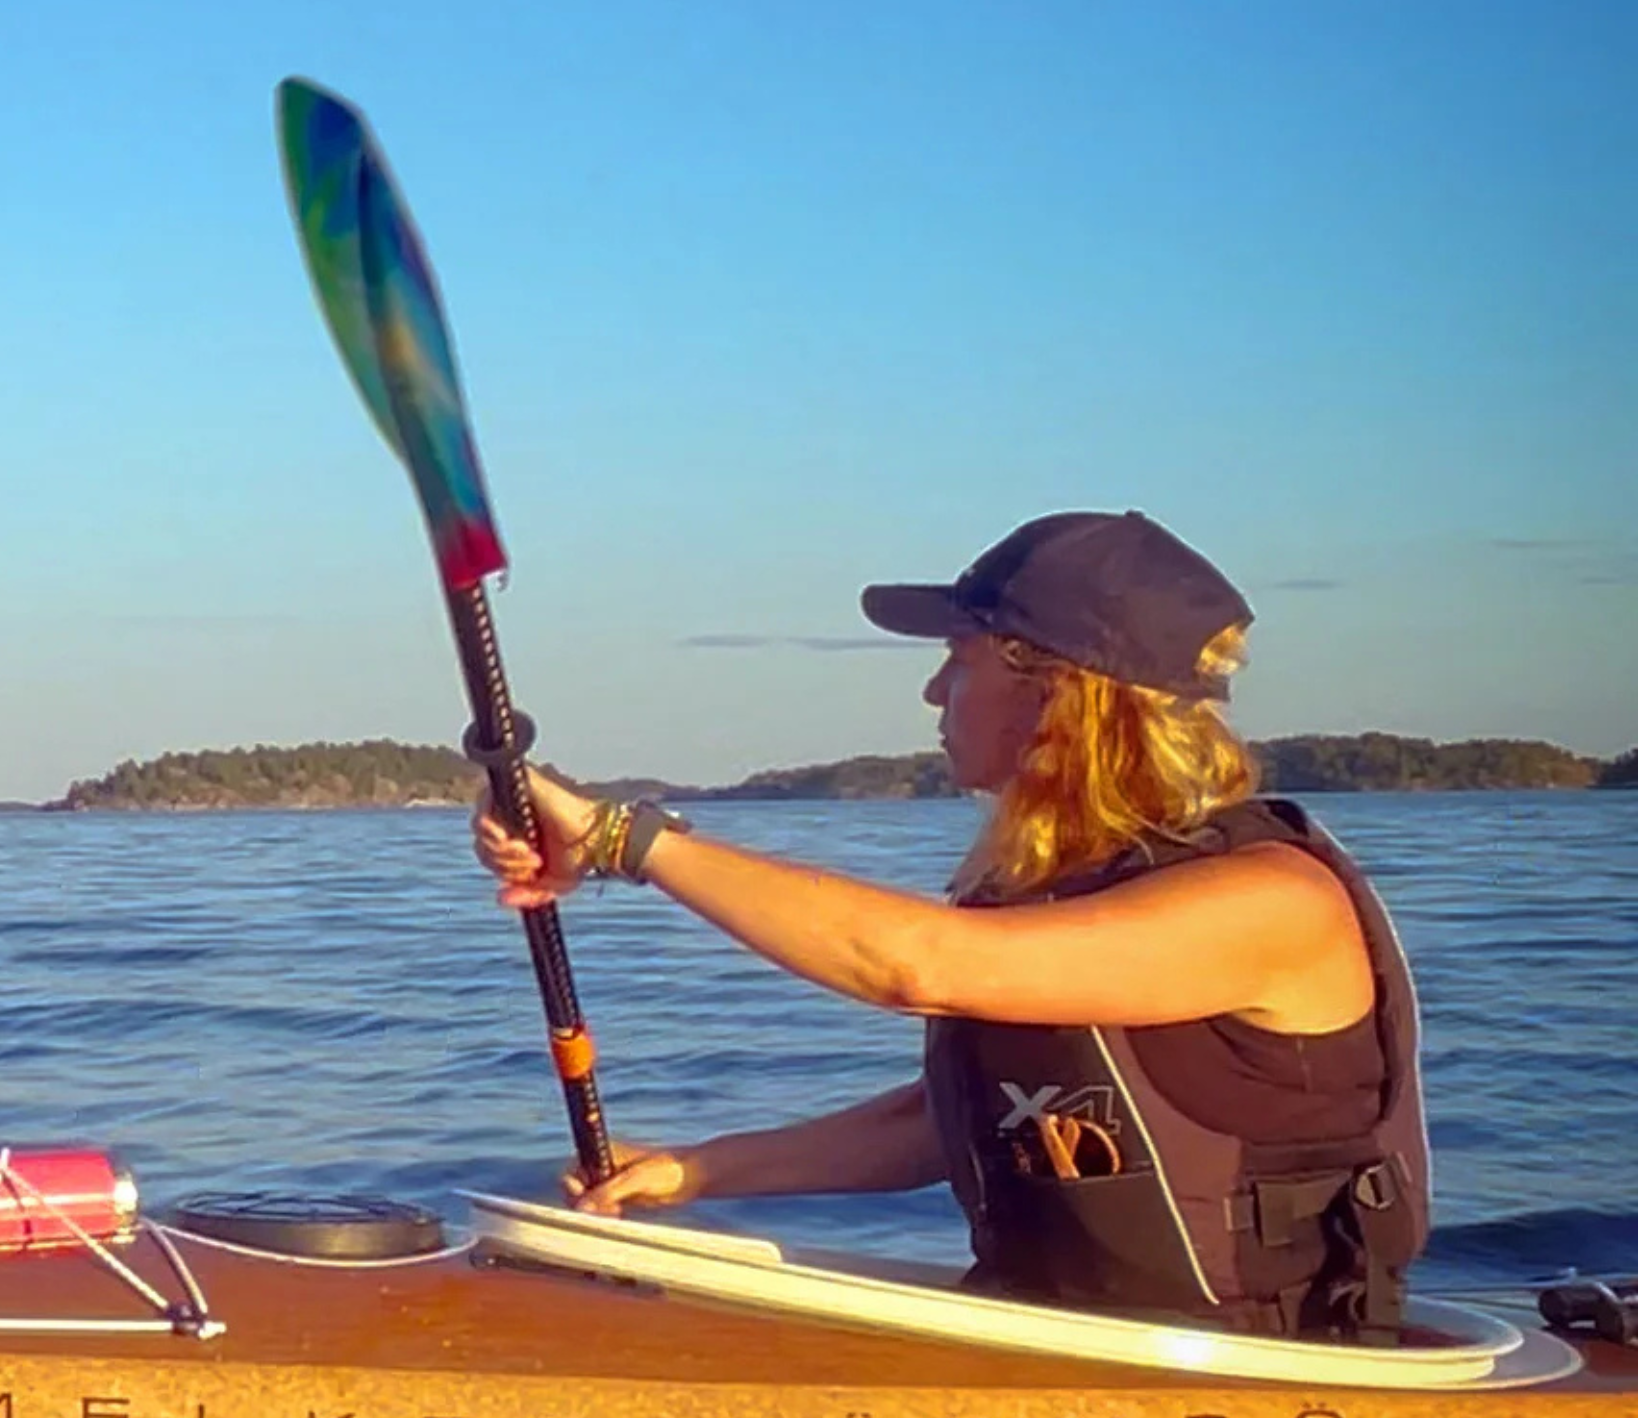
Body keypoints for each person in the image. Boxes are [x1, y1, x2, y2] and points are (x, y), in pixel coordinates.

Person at [473, 509, 1429, 1337]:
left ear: (1058, 693)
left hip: (1254, 1369)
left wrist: (619, 837)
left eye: (955, 660)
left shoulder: (1270, 903)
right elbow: (959, 1125)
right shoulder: (1072, 888)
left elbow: (915, 966)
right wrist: (693, 1171)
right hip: (1058, 1339)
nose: (933, 694)